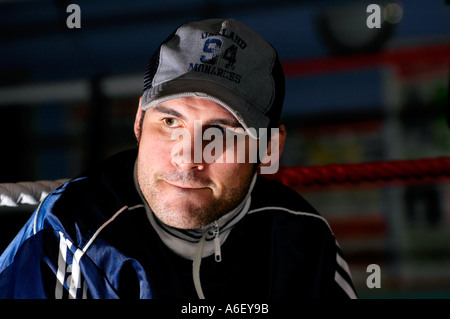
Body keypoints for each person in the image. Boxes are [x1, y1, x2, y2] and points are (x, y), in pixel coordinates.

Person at [0, 18, 357, 299]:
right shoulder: (74, 234)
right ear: (140, 121)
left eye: (221, 133)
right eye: (170, 122)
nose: (187, 159)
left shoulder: (302, 238)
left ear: (269, 149)